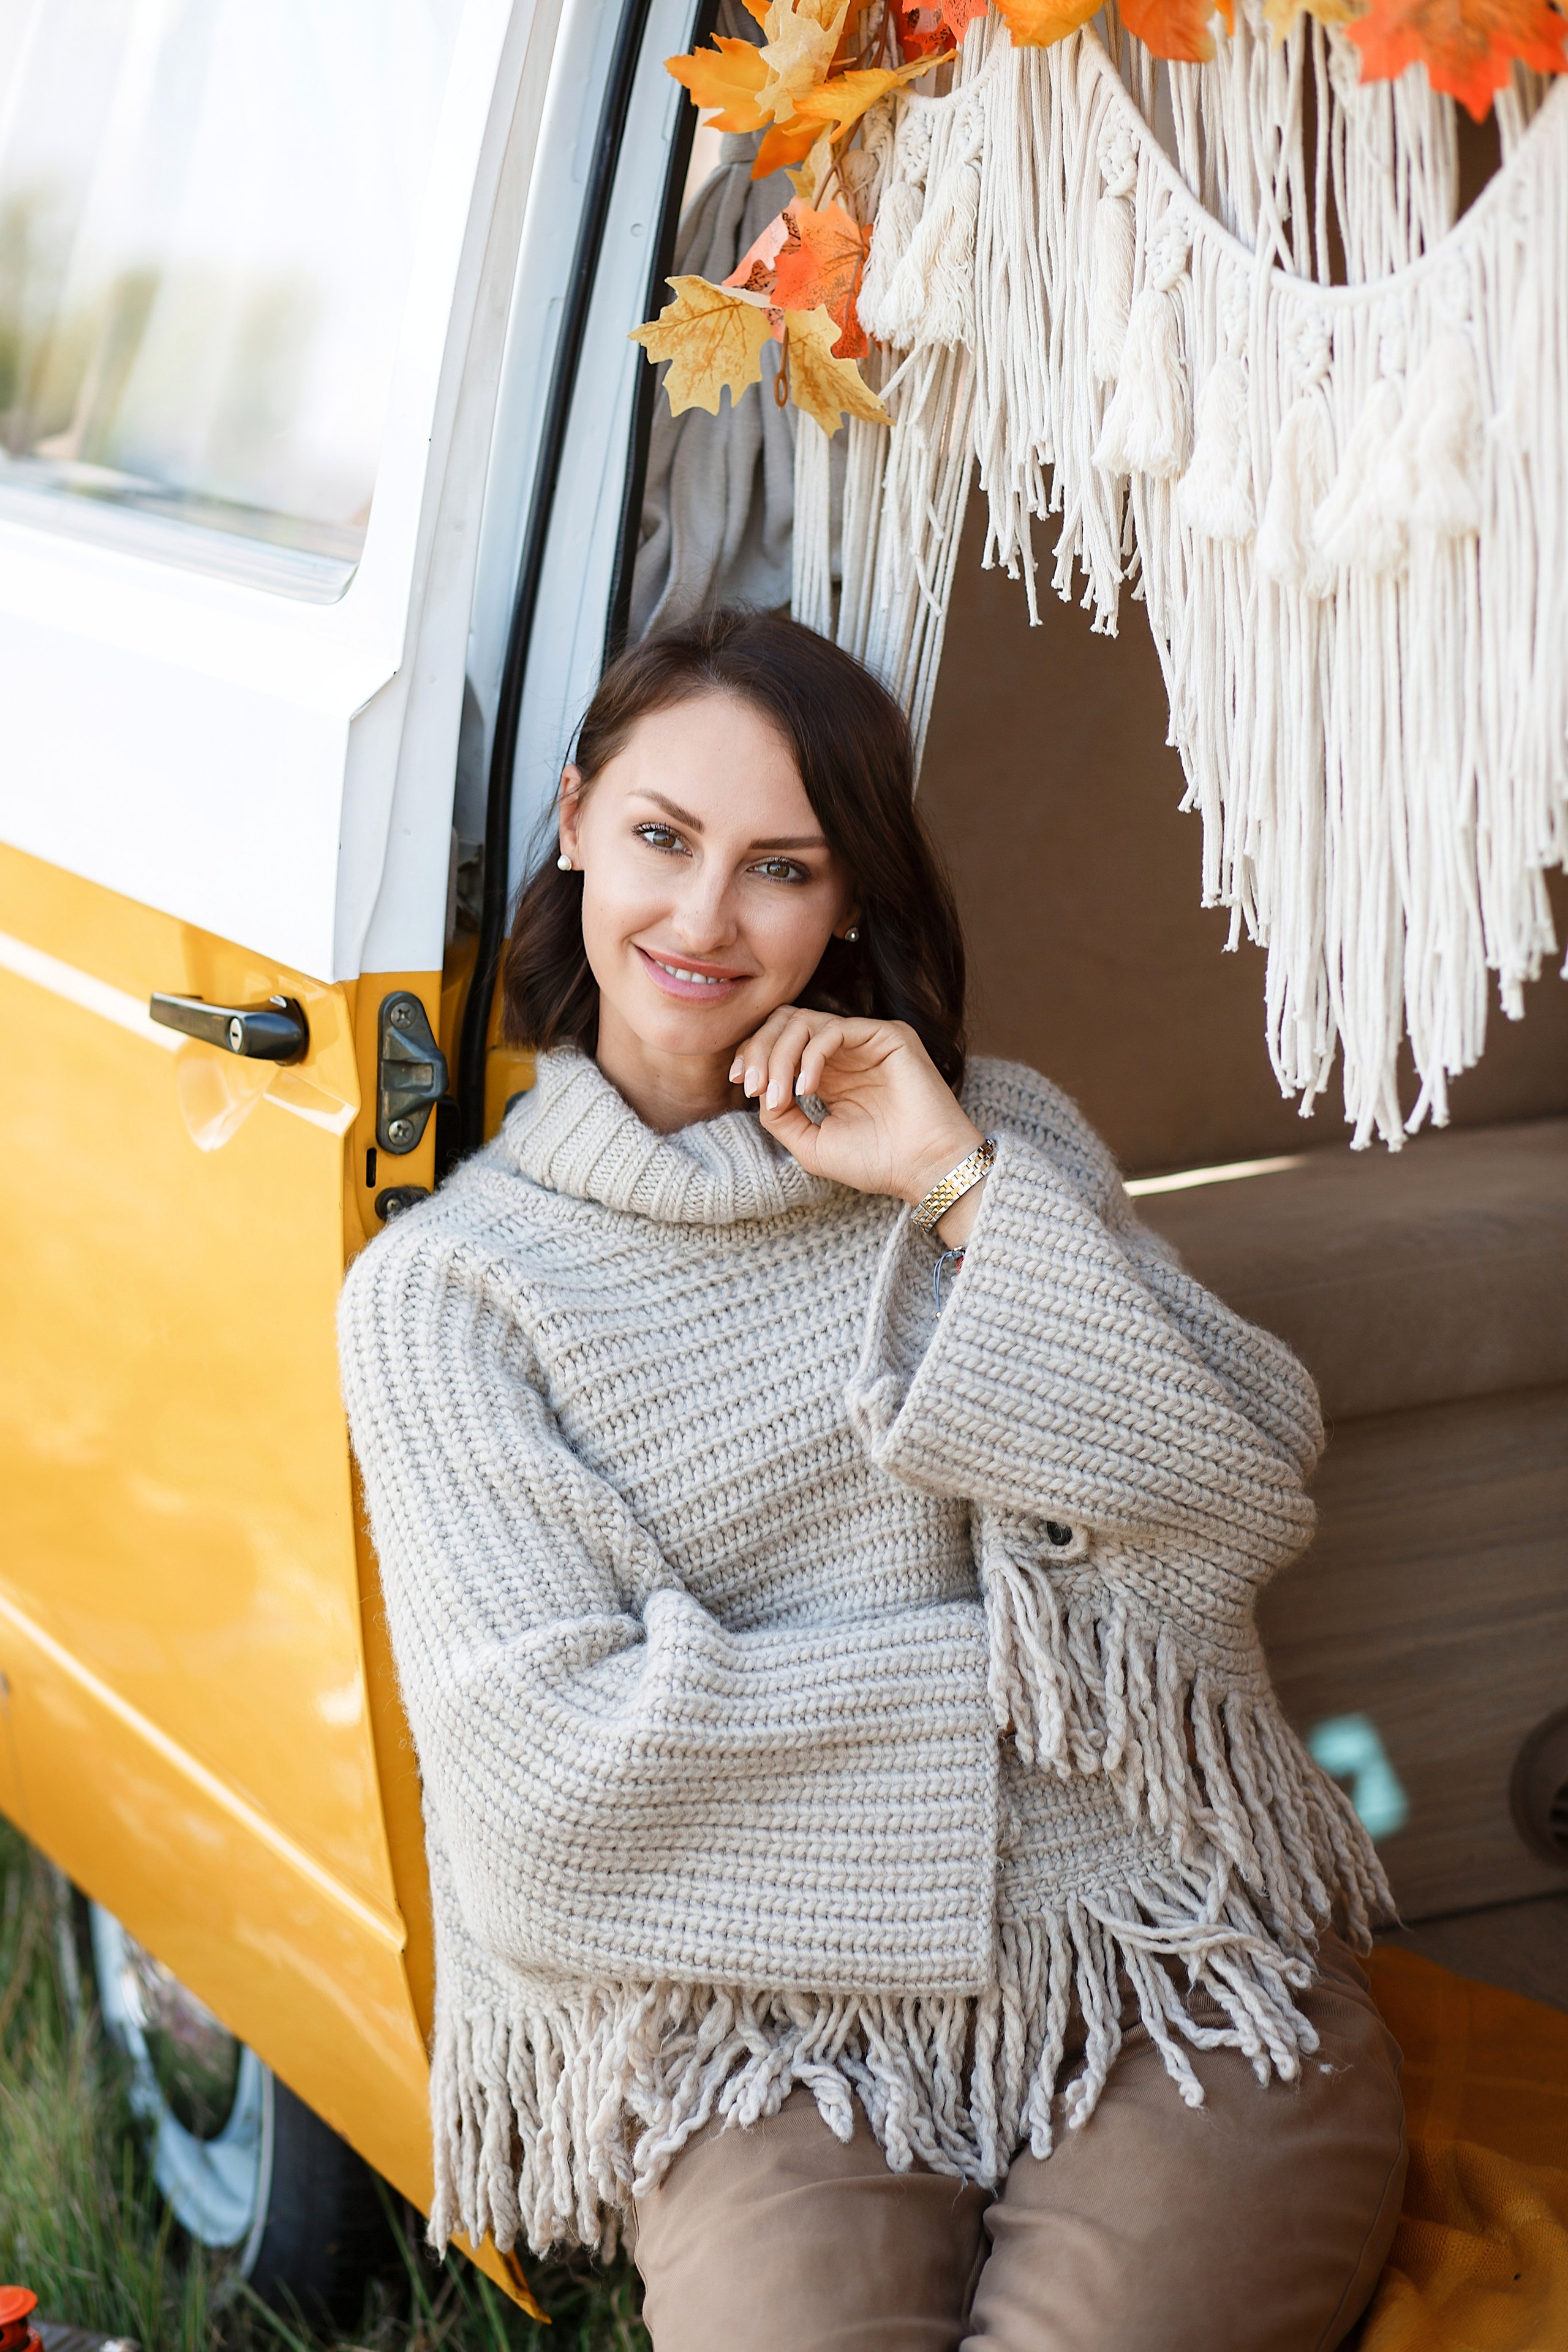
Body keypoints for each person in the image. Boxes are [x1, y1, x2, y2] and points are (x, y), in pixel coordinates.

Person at [338, 609, 1406, 2352]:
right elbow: (551, 1783)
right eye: (663, 842)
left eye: (782, 869)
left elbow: (1237, 1483)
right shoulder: (452, 1295)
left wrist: (957, 1184)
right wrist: (1047, 1694)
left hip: (1155, 1961)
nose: (701, 921)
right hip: (763, 2033)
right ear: (573, 818)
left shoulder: (1001, 1142)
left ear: (850, 904)